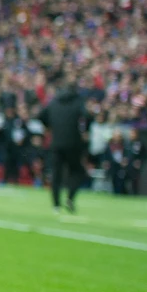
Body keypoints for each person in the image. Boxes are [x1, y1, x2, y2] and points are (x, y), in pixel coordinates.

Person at [39, 75, 88, 213]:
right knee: (78, 171)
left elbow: (40, 115)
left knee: (56, 174)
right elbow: (88, 116)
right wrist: (85, 131)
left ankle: (56, 205)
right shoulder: (78, 101)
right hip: (73, 143)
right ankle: (70, 197)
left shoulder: (54, 102)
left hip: (56, 143)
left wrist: (49, 126)